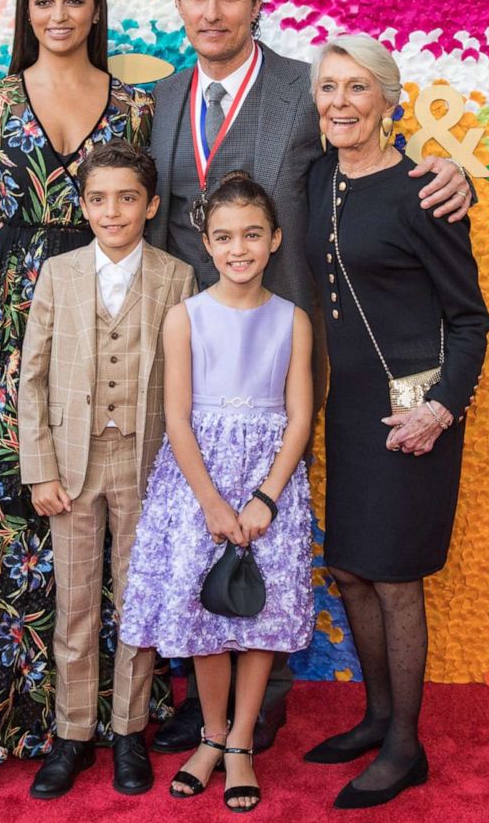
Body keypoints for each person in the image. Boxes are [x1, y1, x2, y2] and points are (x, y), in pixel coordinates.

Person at [144, 0, 475, 758]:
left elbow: (379, 165)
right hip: (196, 350)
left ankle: (269, 708)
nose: (212, 11)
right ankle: (207, 702)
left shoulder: (307, 89)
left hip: (293, 363)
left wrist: (453, 172)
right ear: (179, 3)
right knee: (203, 520)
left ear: (258, 2)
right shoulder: (159, 99)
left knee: (283, 520)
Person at [0, 0, 170, 782]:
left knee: (120, 526)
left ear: (96, 10)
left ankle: (120, 724)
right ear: (26, 10)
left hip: (111, 310)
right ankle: (12, 723)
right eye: (43, 0)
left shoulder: (136, 106)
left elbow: (152, 216)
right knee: (20, 513)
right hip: (14, 327)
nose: (58, 15)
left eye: (74, 0)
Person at [302, 35, 489, 809]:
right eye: (328, 88)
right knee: (348, 568)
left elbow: (470, 320)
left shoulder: (424, 190)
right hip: (345, 406)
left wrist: (442, 408)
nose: (340, 102)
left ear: (388, 99)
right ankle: (376, 716)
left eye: (356, 88)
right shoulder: (317, 178)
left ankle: (407, 745)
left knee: (395, 577)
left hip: (417, 406)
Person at [121, 171, 315, 812]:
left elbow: (299, 418)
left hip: (267, 487)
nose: (240, 249)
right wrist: (211, 501)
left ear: (275, 239)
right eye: (225, 236)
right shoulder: (186, 317)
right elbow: (176, 418)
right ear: (206, 243)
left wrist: (265, 497)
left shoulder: (294, 321)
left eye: (253, 235)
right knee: (207, 615)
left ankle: (240, 746)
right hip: (198, 484)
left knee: (257, 617)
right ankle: (208, 735)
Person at [17, 142, 199, 799]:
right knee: (74, 606)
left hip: (145, 466)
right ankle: (71, 735)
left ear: (151, 205)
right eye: (99, 198)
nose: (113, 211)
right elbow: (31, 380)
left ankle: (127, 733)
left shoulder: (177, 278)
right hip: (71, 466)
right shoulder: (58, 275)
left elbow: (190, 384)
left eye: (127, 198)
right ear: (83, 205)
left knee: (137, 604)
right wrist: (39, 469)